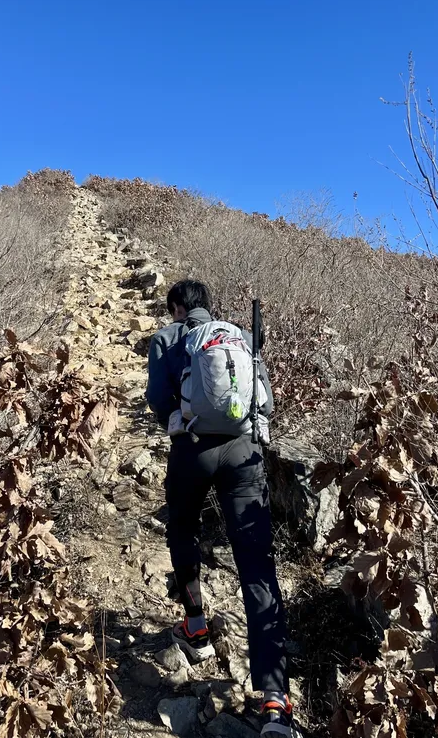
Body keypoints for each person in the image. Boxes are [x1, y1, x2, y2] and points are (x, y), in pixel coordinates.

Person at [146, 279, 297, 738]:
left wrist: (180, 417)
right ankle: (274, 702)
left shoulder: (169, 337)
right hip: (244, 452)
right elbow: (265, 398)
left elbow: (156, 399)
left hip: (192, 449)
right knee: (257, 567)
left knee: (183, 530)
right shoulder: (239, 337)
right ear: (209, 308)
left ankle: (195, 625)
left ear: (177, 307)